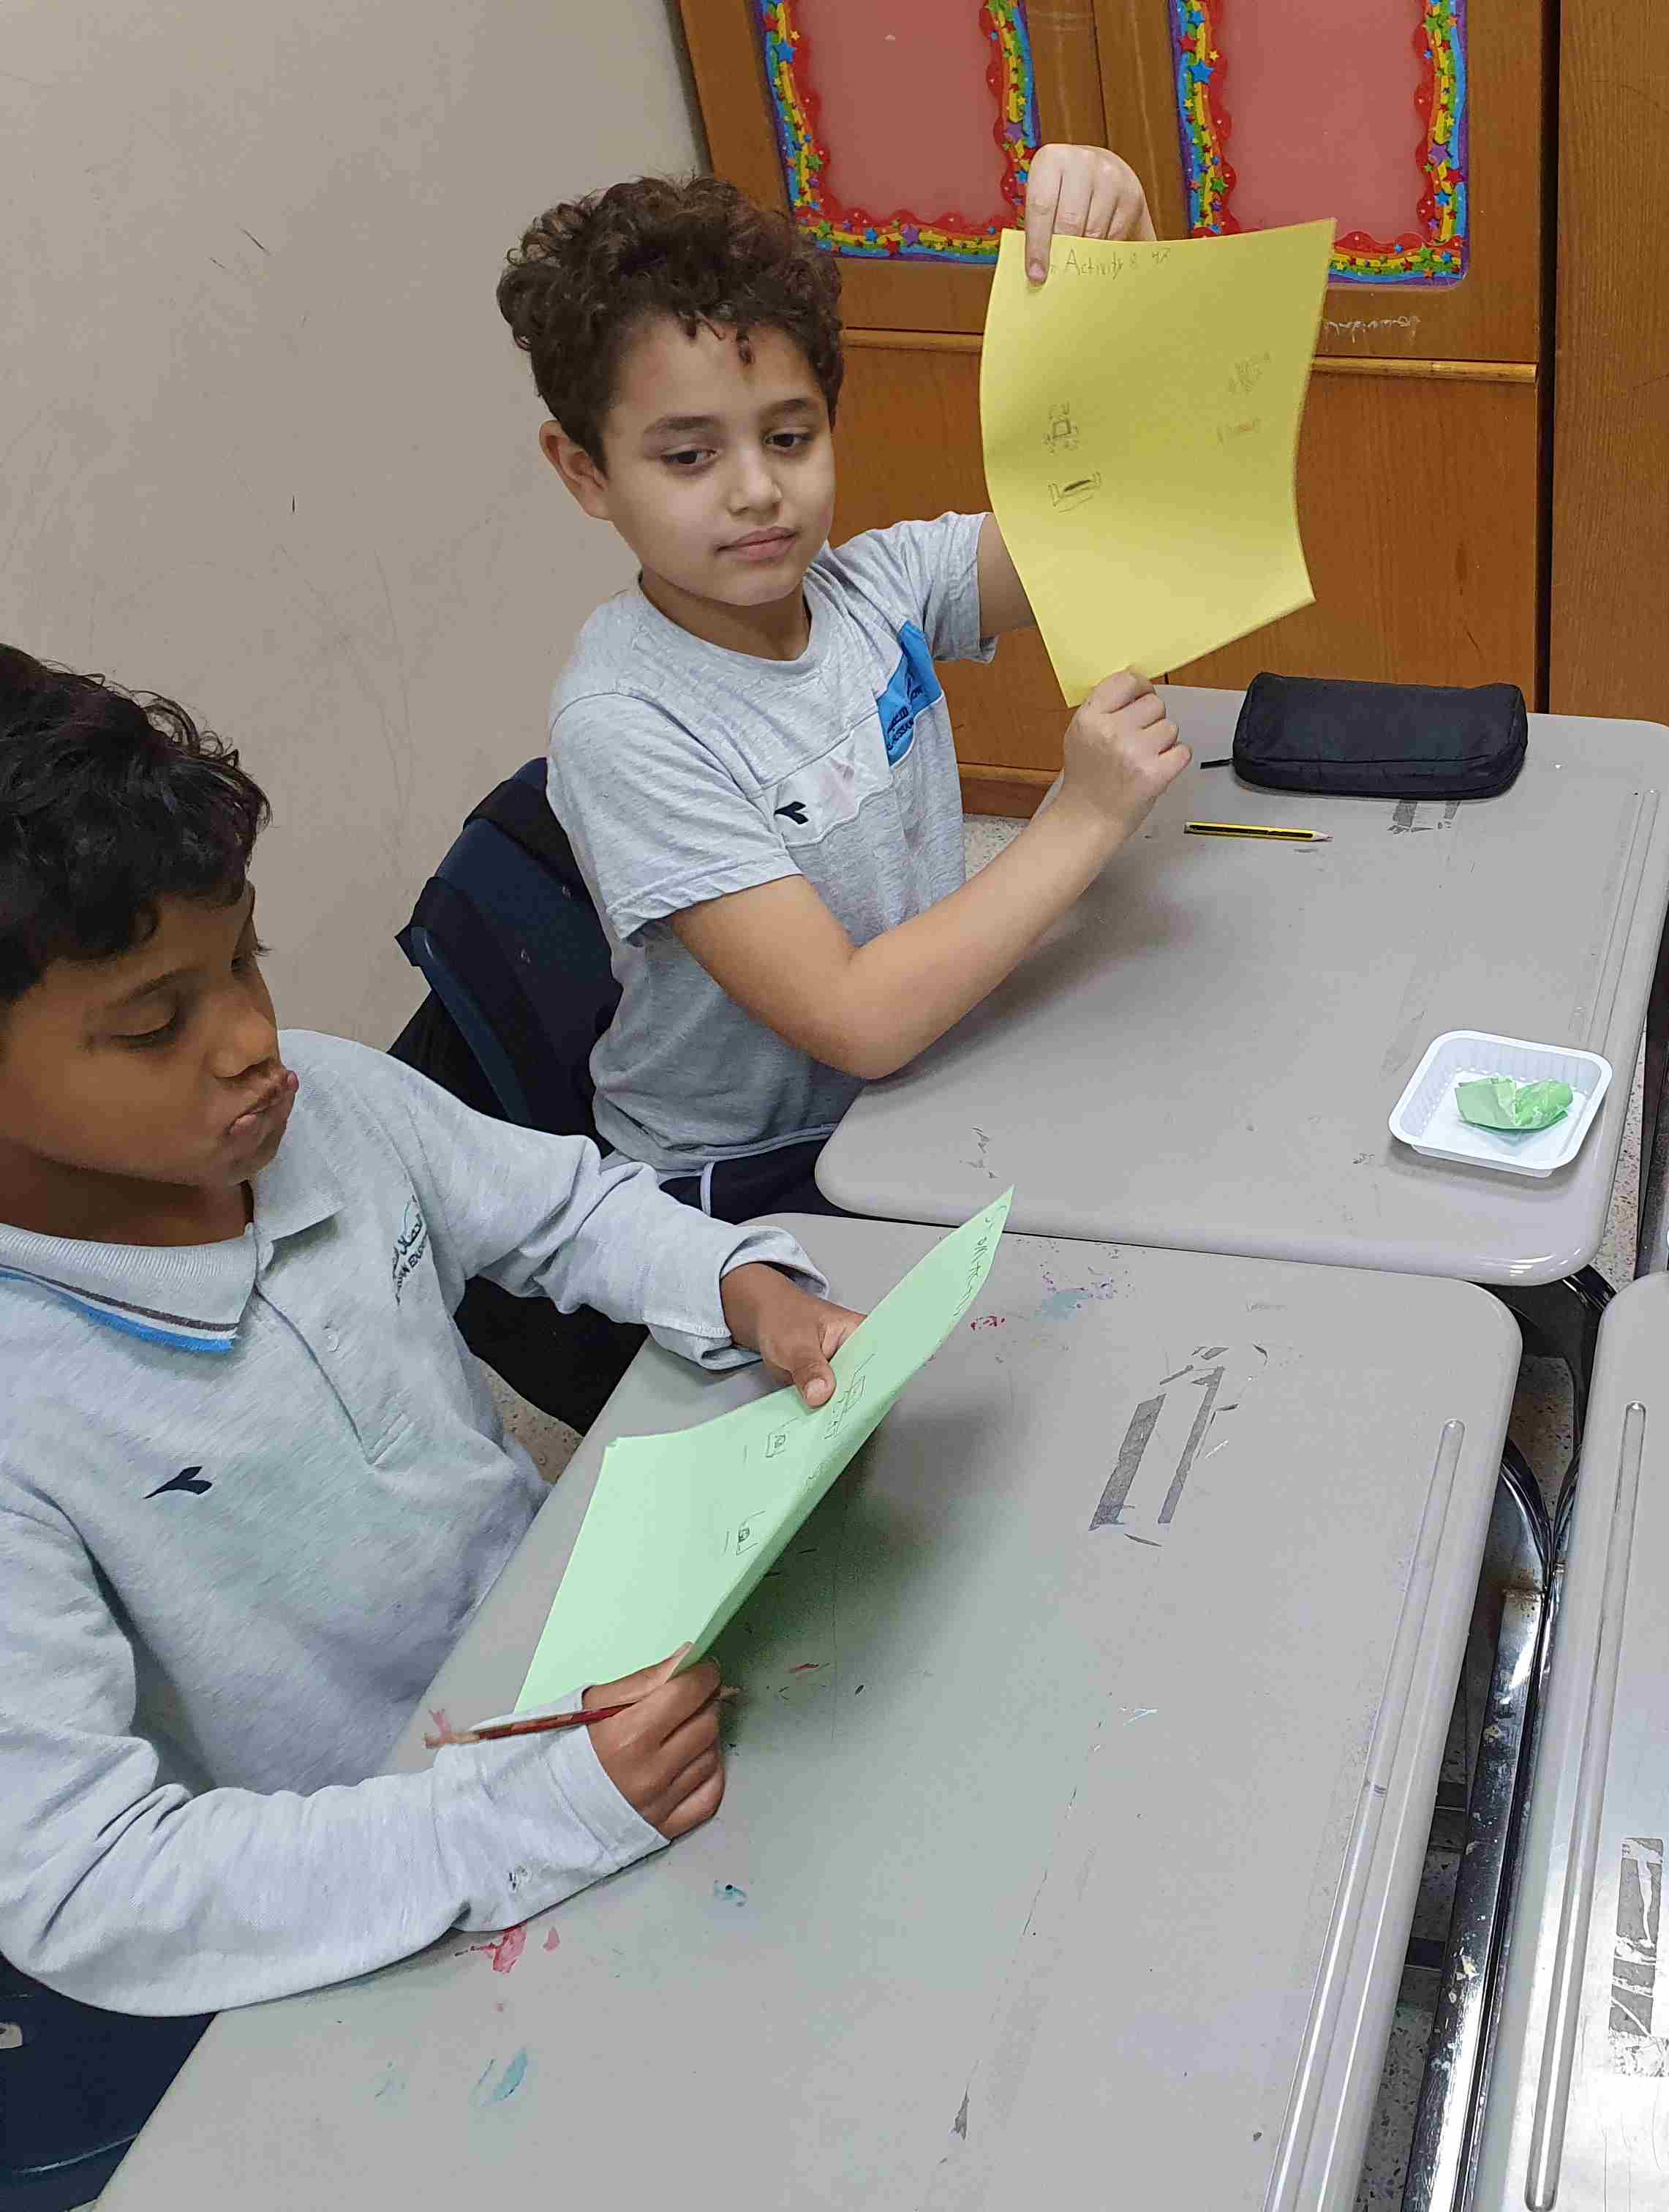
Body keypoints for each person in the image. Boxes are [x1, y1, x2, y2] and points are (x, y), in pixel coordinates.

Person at [0, 650, 864, 2011]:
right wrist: (518, 1818)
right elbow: (86, 1882)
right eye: (157, 1023)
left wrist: (738, 1283)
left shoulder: (323, 1101)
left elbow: (565, 1210)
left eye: (245, 958)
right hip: (366, 1882)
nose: (251, 1038)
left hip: (572, 1663)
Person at [496, 151, 1190, 1210]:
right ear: (584, 469)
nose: (756, 491)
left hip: (913, 1083)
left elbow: (1126, 519)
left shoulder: (875, 586)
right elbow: (857, 1020)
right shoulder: (624, 726)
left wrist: (1129, 265)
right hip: (746, 1174)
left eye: (788, 437)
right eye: (688, 457)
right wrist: (1082, 817)